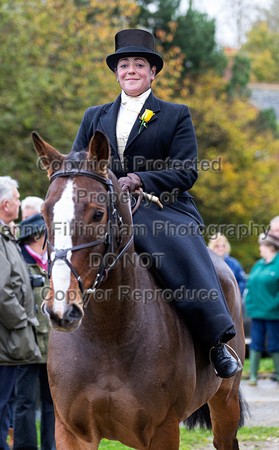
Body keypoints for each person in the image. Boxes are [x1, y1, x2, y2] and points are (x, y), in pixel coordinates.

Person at [71, 29, 241, 378]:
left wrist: (141, 179)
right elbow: (79, 161)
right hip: (108, 204)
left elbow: (185, 169)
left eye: (138, 64)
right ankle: (63, 308)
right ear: (116, 72)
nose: (130, 70)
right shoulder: (94, 116)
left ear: (152, 72)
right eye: (123, 65)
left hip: (162, 205)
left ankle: (215, 339)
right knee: (72, 239)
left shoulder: (175, 114)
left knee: (173, 242)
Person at [0, 175, 42, 450]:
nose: (18, 204)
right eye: (17, 199)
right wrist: (23, 321)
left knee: (3, 409)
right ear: (5, 204)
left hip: (3, 341)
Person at [13, 213, 56, 450]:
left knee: (52, 402)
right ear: (38, 235)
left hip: (52, 344)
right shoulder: (18, 259)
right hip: (26, 343)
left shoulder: (54, 261)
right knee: (25, 401)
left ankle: (51, 446)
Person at [245, 231, 279, 385]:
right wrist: (250, 303)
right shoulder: (258, 265)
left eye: (262, 246)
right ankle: (253, 376)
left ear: (270, 247)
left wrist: (273, 304)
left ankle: (278, 374)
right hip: (256, 313)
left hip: (274, 314)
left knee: (275, 344)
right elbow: (250, 285)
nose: (260, 249)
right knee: (255, 343)